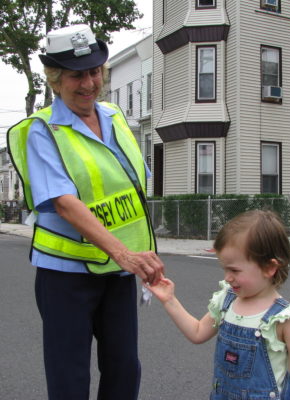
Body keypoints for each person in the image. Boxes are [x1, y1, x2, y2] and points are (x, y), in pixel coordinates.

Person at [7, 24, 164, 400]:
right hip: (66, 275)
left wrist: (136, 255)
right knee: (69, 376)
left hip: (117, 272)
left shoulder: (114, 117)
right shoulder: (43, 131)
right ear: (56, 80)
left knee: (124, 368)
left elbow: (133, 190)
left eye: (95, 72)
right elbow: (63, 201)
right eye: (77, 75)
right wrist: (125, 253)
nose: (89, 83)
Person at [146, 210, 290, 400]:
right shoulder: (226, 301)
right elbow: (197, 332)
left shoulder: (285, 318)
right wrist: (170, 300)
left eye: (234, 270)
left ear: (269, 268)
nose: (227, 277)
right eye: (224, 269)